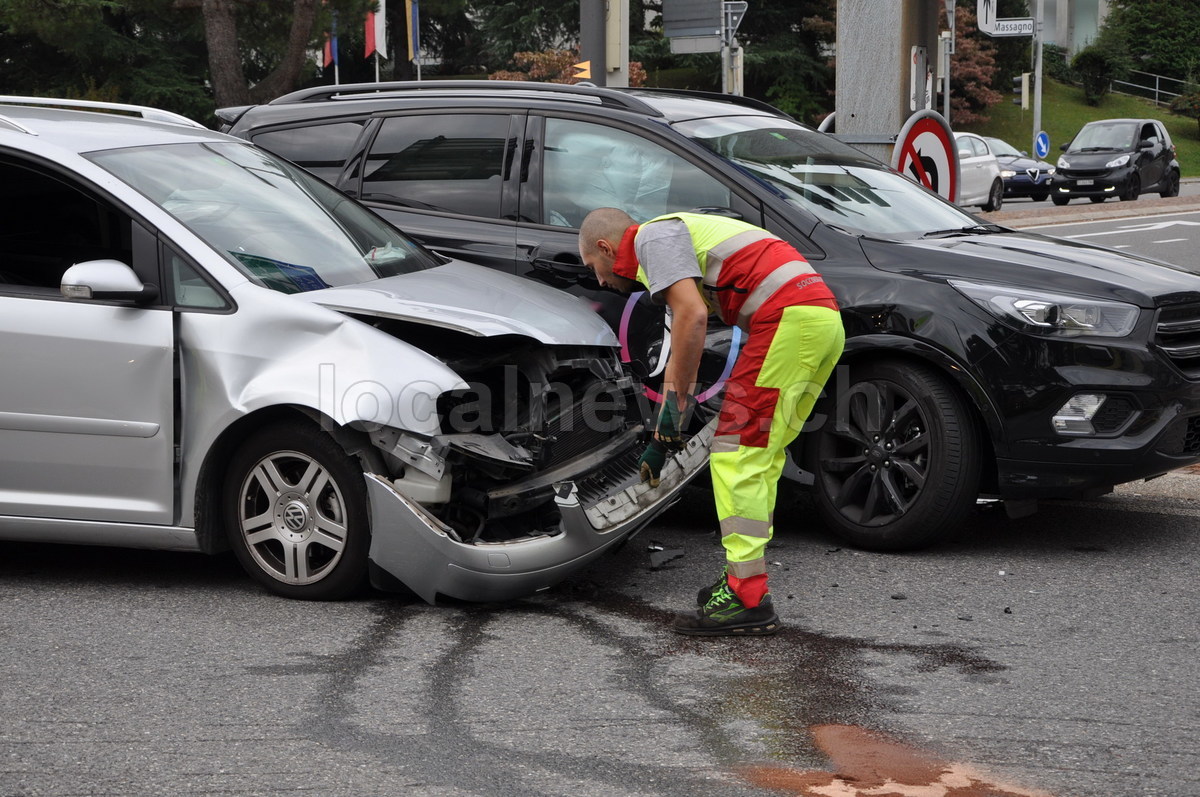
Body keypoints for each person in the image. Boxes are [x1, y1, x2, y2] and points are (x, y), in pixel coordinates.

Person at [578, 208, 845, 637]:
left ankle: (747, 598)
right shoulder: (674, 252)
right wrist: (665, 436)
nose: (600, 282)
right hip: (818, 322)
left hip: (788, 320)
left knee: (736, 451)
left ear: (608, 249)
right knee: (761, 454)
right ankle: (745, 583)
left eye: (595, 268)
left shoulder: (652, 239)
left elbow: (693, 320)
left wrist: (668, 425)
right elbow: (681, 350)